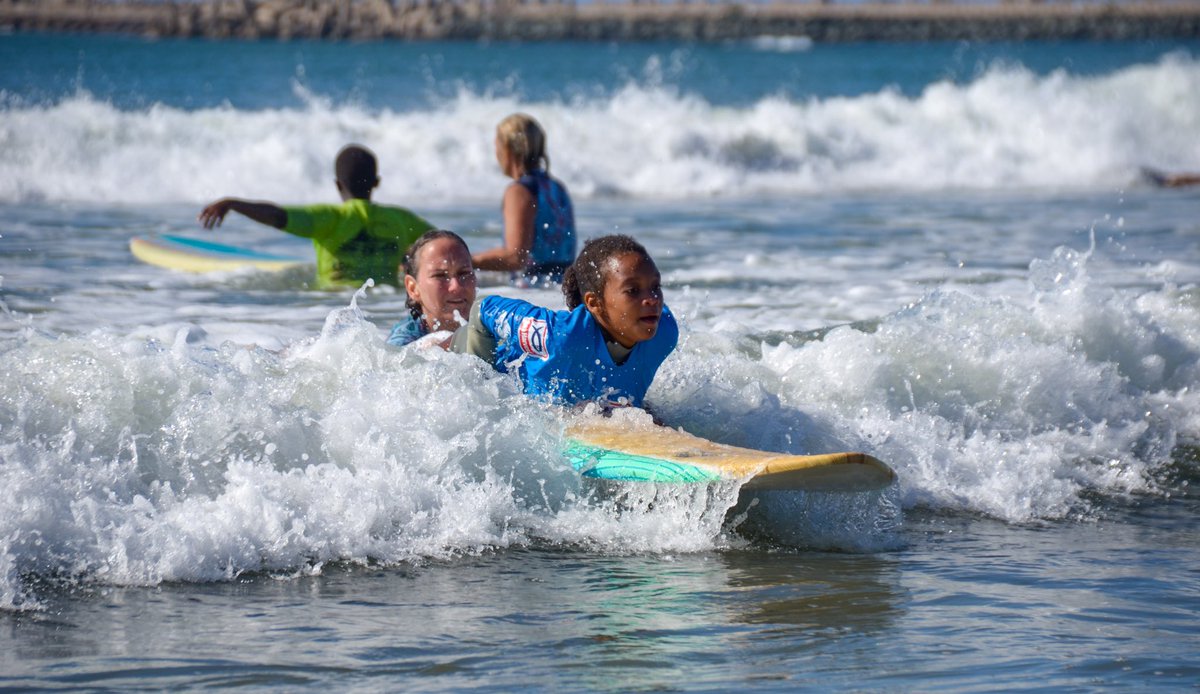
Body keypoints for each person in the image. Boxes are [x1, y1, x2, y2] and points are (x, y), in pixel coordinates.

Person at [453, 234, 677, 409]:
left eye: (655, 287)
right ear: (594, 302)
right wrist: (481, 395)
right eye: (633, 290)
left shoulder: (663, 332)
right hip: (460, 348)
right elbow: (484, 308)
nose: (652, 300)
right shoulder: (558, 337)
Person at [198, 144, 432, 289]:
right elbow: (443, 245)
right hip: (385, 305)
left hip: (334, 303)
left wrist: (233, 203)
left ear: (337, 185)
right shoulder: (401, 220)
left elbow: (277, 216)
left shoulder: (328, 219)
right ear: (377, 182)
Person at [471, 113, 576, 286]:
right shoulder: (557, 188)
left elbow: (515, 257)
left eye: (497, 145)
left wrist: (467, 261)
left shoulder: (519, 191)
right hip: (564, 287)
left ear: (509, 149)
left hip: (533, 290)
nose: (496, 153)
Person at [387, 230, 477, 348]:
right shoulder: (403, 342)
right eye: (440, 275)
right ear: (413, 288)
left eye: (464, 273)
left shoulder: (490, 325)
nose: (456, 286)